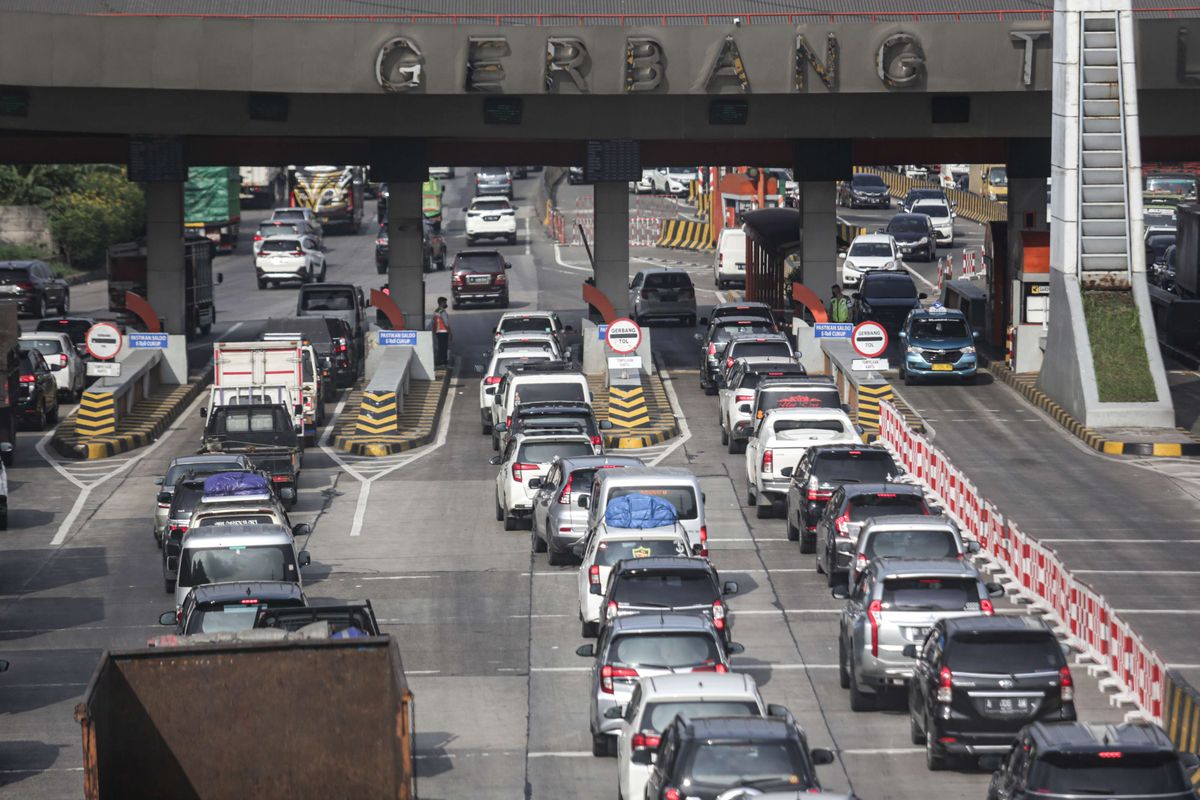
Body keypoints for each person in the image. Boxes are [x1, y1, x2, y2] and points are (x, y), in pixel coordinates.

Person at [433, 296, 451, 368]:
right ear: (441, 303)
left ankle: (440, 362)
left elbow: (434, 322)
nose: (446, 304)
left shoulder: (436, 311)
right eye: (445, 302)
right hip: (444, 331)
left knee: (441, 347)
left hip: (438, 331)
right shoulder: (442, 311)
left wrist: (435, 331)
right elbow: (446, 323)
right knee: (444, 347)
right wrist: (450, 332)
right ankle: (444, 363)